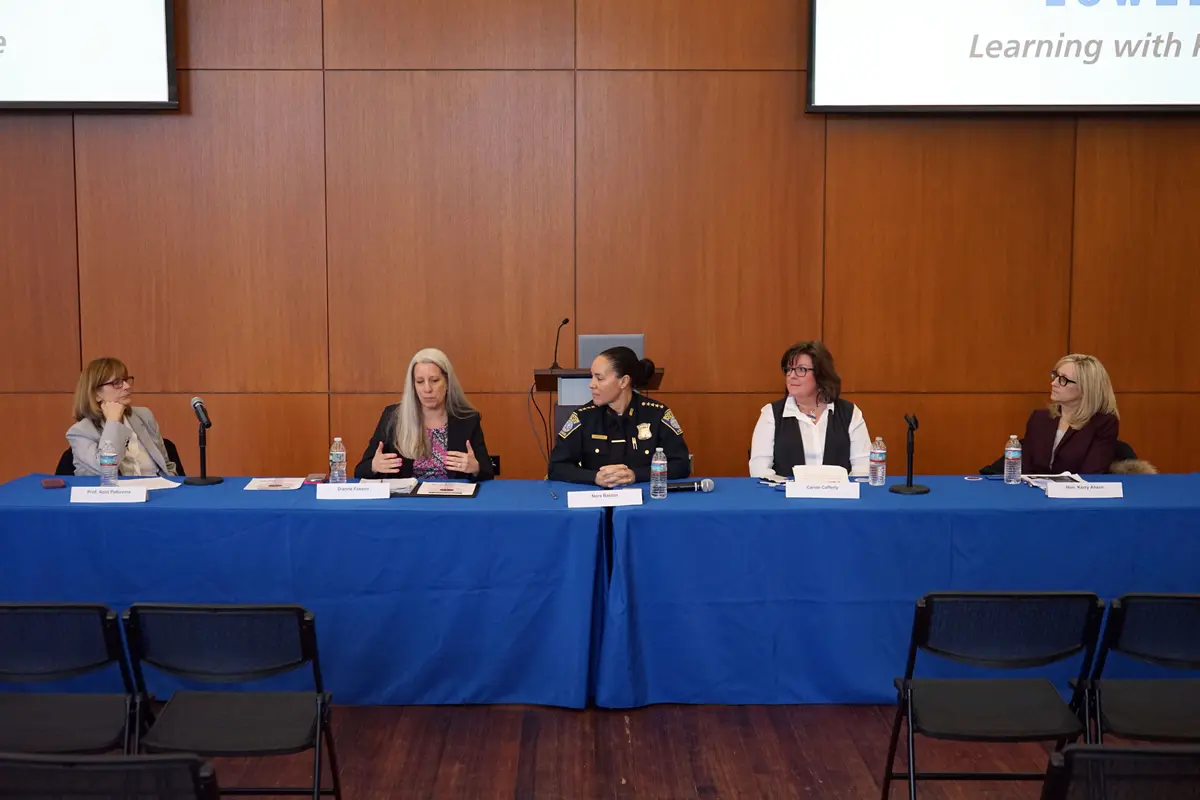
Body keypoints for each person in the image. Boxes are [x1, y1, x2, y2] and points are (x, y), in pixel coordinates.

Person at [549, 347, 690, 487]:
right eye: (592, 377)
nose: (591, 384)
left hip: (644, 498)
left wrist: (636, 475)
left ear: (623, 381)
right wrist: (594, 477)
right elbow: (556, 467)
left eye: (599, 378)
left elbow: (681, 465)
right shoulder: (583, 417)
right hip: (596, 498)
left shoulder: (657, 414)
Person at [354, 348, 493, 481]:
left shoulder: (467, 419)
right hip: (407, 496)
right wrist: (374, 466)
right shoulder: (392, 417)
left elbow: (488, 472)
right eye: (420, 382)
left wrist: (475, 468)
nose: (427, 389)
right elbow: (360, 470)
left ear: (447, 382)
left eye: (434, 380)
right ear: (413, 386)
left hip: (451, 495)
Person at [748, 341, 871, 479]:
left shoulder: (850, 413)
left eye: (801, 369)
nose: (792, 375)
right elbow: (760, 470)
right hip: (785, 492)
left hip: (839, 492)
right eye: (789, 369)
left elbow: (863, 468)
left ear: (821, 374)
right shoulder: (771, 414)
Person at [66, 358, 178, 477]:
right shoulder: (80, 432)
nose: (127, 386)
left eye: (125, 380)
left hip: (157, 487)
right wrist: (113, 422)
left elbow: (166, 465)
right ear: (96, 394)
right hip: (113, 489)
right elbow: (107, 469)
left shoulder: (144, 416)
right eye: (117, 383)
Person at [1020, 354, 1119, 475]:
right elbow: (1025, 468)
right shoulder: (1039, 418)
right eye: (1055, 376)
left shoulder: (1104, 424)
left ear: (1085, 388)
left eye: (1063, 380)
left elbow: (1092, 474)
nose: (1053, 383)